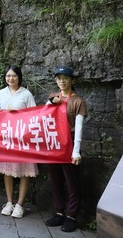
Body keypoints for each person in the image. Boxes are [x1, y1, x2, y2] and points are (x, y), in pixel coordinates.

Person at [44, 66, 87, 233]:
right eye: (59, 78)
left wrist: (76, 151)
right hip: (54, 144)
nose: (62, 81)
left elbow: (79, 128)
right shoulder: (53, 97)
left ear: (71, 80)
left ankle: (71, 216)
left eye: (65, 78)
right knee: (55, 180)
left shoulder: (78, 101)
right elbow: (43, 116)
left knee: (71, 182)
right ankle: (59, 212)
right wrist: (50, 103)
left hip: (69, 143)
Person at [0, 65, 38, 219]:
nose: (10, 79)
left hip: (22, 137)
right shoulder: (1, 93)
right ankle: (9, 202)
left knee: (24, 170)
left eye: (14, 76)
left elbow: (34, 115)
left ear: (19, 77)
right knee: (7, 169)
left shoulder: (26, 94)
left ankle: (20, 204)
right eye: (8, 76)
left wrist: (19, 114)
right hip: (6, 136)